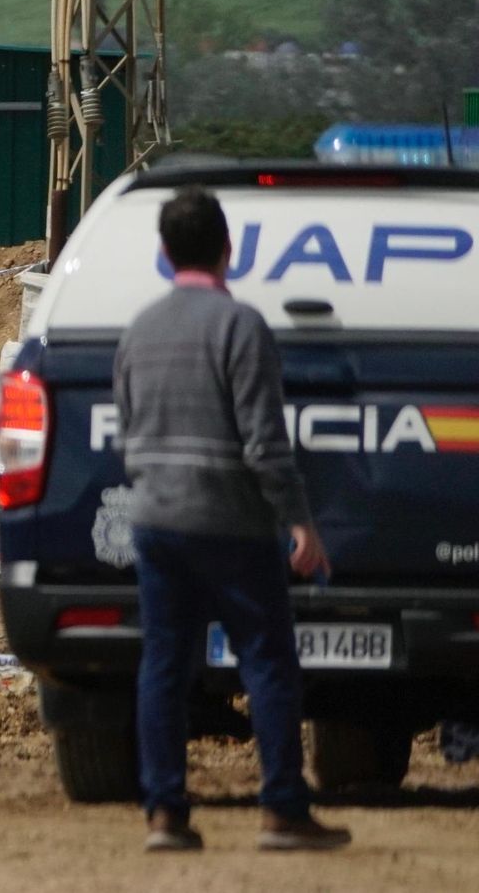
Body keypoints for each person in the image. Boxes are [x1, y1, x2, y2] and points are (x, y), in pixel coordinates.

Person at [112, 186, 351, 852]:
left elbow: (128, 435)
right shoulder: (240, 327)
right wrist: (300, 523)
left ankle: (164, 813)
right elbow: (265, 445)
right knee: (268, 664)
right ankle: (282, 809)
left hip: (157, 522)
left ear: (164, 253)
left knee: (163, 665)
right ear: (229, 250)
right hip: (232, 526)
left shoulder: (139, 331)